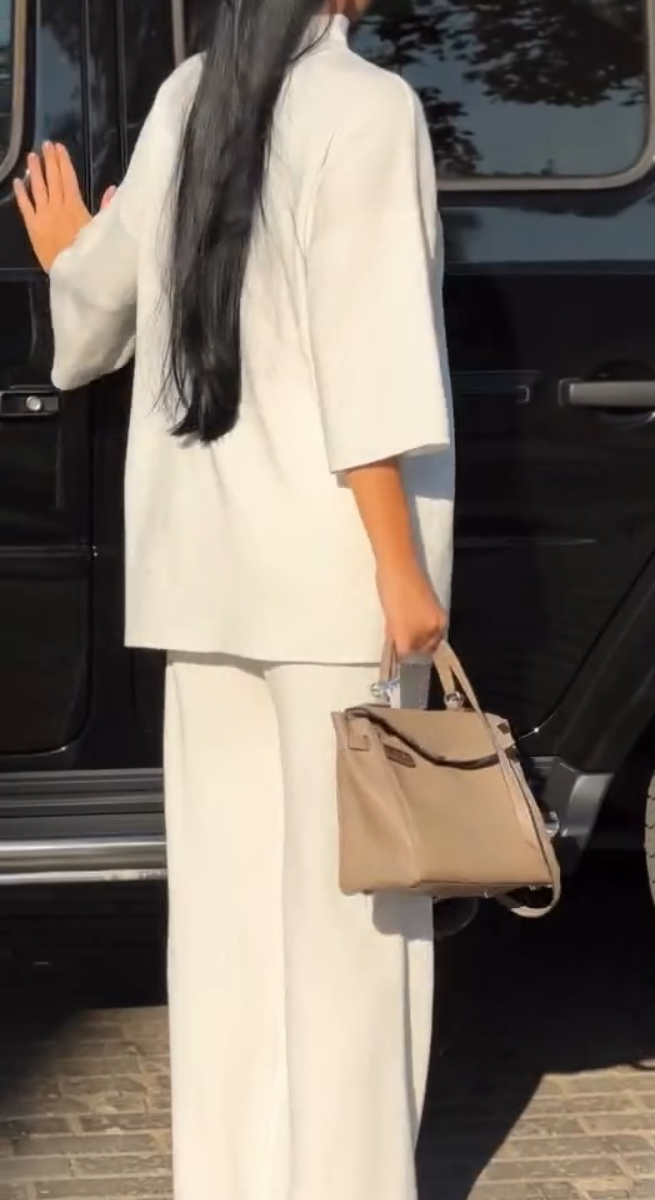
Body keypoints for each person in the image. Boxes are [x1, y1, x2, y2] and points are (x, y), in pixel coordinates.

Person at [14, 3, 455, 1199]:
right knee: (357, 931)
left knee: (227, 925)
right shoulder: (369, 108)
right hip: (331, 581)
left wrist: (67, 259)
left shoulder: (188, 95)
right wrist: (401, 567)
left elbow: (101, 312)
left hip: (204, 579)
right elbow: (367, 355)